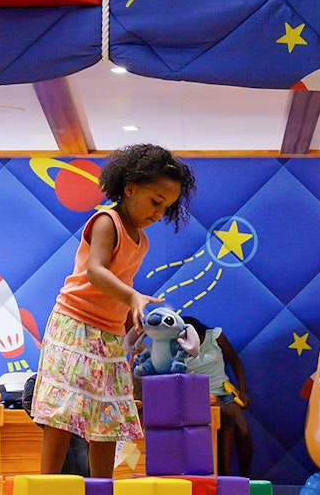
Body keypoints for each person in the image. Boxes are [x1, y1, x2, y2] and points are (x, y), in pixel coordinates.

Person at [30, 144, 196, 478]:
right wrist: (133, 296)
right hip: (74, 322)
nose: (159, 213)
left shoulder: (142, 240)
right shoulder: (108, 221)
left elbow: (119, 288)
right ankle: (47, 483)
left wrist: (129, 323)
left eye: (166, 207)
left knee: (107, 415)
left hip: (107, 332)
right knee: (63, 411)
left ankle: (103, 486)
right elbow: (96, 271)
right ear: (130, 187)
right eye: (155, 201)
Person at [181, 316, 252, 478]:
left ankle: (246, 479)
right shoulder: (178, 345)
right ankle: (224, 475)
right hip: (199, 393)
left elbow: (235, 361)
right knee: (225, 418)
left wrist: (243, 390)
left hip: (223, 390)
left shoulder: (215, 336)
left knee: (243, 430)